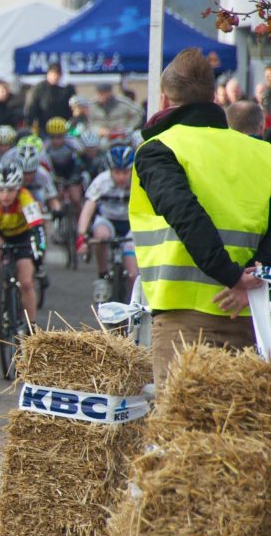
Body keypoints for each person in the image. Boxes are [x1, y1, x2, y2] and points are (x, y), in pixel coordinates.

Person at [130, 47, 271, 389]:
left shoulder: (159, 150)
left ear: (164, 99)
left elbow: (187, 215)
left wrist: (232, 275)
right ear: (213, 96)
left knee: (181, 436)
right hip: (254, 315)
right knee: (243, 434)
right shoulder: (263, 153)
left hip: (184, 320)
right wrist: (253, 275)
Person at [0, 158, 46, 327]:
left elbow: (37, 227)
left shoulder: (25, 197)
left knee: (26, 283)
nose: (5, 196)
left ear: (18, 188)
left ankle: (32, 327)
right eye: (0, 190)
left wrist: (39, 250)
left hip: (22, 235)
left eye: (10, 190)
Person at [75, 144, 138, 302]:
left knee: (132, 275)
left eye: (125, 172)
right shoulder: (101, 181)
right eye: (117, 172)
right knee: (101, 236)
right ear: (110, 170)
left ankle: (132, 304)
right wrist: (82, 234)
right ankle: (102, 275)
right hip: (107, 220)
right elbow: (88, 207)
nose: (121, 177)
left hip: (131, 224)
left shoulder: (140, 180)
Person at [25, 63, 76, 131]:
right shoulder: (39, 88)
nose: (55, 76)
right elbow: (31, 108)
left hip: (64, 127)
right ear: (48, 74)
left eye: (58, 73)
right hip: (43, 127)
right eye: (53, 73)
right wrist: (30, 125)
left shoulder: (68, 89)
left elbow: (73, 108)